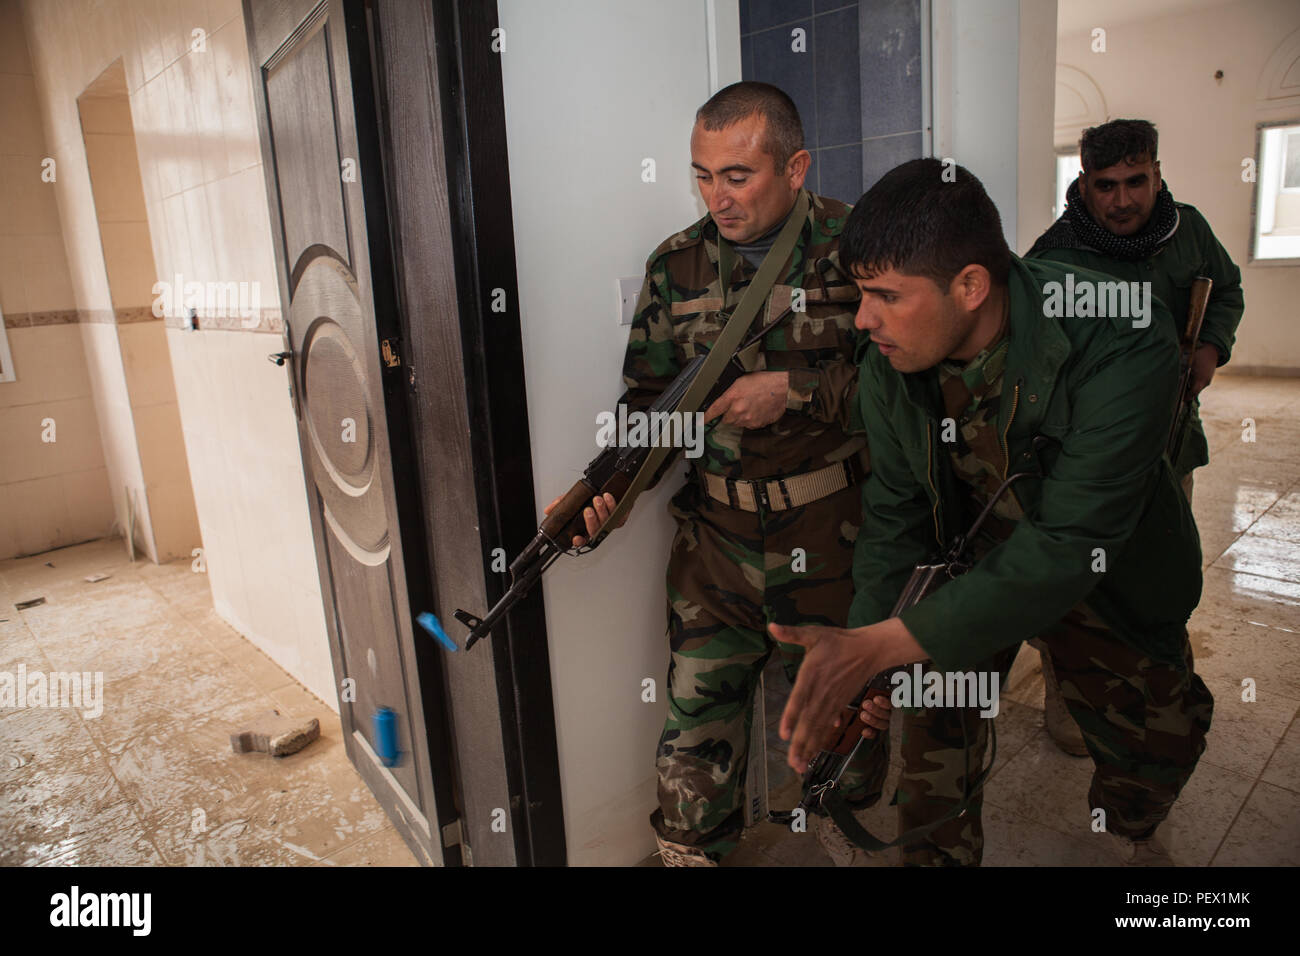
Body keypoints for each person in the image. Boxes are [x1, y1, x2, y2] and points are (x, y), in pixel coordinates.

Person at [771, 158, 1214, 866]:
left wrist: (885, 643)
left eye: (885, 294)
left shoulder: (1121, 335)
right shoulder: (891, 358)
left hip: (1105, 572)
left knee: (1152, 750)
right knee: (934, 746)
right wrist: (866, 650)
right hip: (968, 563)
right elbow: (898, 510)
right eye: (861, 294)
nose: (864, 318)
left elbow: (1072, 543)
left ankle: (1134, 822)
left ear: (971, 286)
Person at [546, 82, 879, 866]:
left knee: (847, 734)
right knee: (694, 740)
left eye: (737, 175)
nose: (716, 197)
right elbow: (649, 407)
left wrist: (794, 391)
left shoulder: (860, 247)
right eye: (701, 174)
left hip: (834, 541)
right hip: (717, 545)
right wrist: (607, 495)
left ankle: (852, 837)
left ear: (795, 168)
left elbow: (909, 390)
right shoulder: (676, 264)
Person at [1025, 118, 1243, 757]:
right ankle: (1071, 703)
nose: (1122, 200)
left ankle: (1159, 699)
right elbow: (1035, 359)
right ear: (1084, 184)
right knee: (1084, 588)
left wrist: (1210, 347)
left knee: (1163, 576)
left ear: (1157, 173)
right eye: (1106, 185)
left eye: (1136, 181)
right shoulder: (1054, 256)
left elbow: (1224, 290)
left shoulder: (1189, 231)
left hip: (1172, 444)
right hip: (1090, 458)